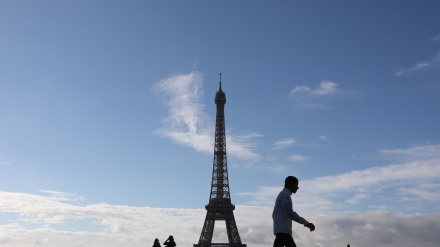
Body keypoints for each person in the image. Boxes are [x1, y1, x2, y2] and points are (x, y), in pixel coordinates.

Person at [272, 176, 315, 247]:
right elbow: (290, 213)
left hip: (284, 231)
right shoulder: (284, 195)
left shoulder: (284, 195)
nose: (297, 188)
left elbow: (274, 214)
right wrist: (306, 223)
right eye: (296, 185)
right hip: (283, 231)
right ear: (291, 184)